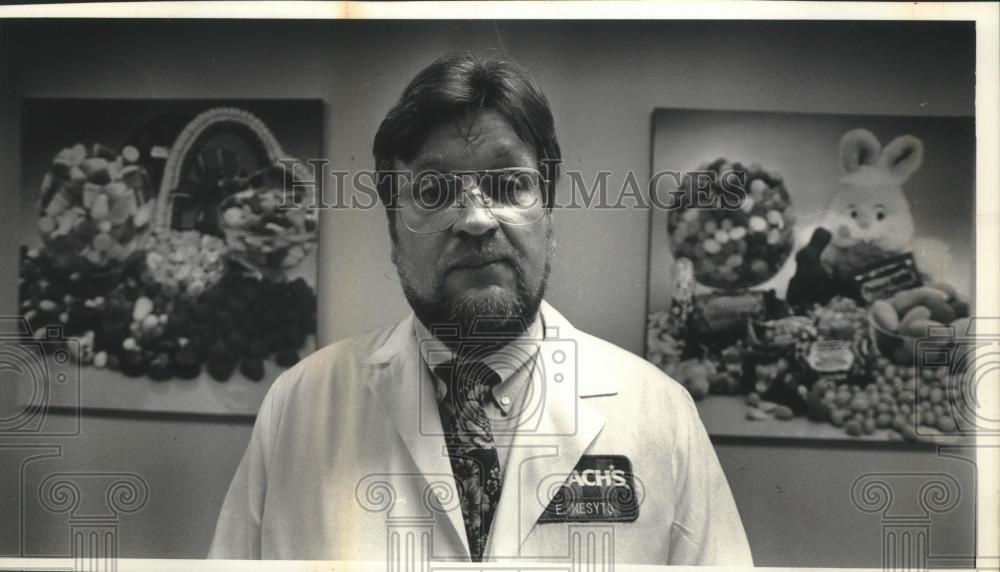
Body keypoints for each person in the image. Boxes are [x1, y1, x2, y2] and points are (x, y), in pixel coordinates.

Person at [209, 51, 753, 566]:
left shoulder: (661, 415)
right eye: (432, 191)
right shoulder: (298, 408)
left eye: (507, 185)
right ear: (394, 231)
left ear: (549, 218)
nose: (475, 220)